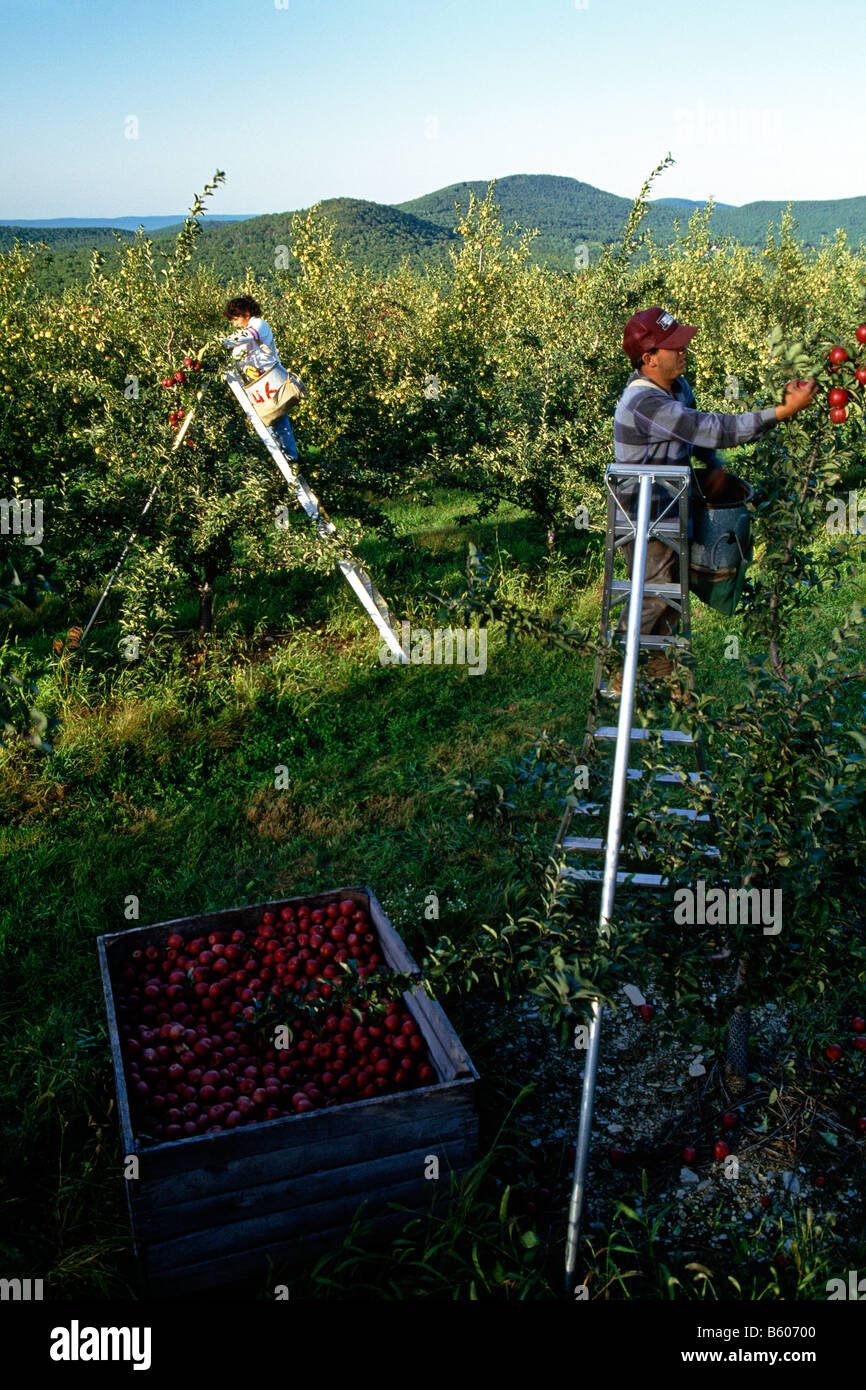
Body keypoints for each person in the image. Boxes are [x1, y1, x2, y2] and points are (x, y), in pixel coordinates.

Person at [612, 307, 818, 673]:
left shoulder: (678, 388)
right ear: (649, 359)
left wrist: (713, 465)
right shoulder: (643, 402)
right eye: (673, 347)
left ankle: (661, 673)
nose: (683, 351)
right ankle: (620, 664)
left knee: (674, 587)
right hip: (645, 515)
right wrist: (781, 412)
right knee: (656, 589)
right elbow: (712, 428)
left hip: (674, 505)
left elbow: (694, 434)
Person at [220, 295, 300, 459]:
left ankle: (292, 459)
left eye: (236, 319)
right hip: (257, 383)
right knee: (268, 419)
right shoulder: (244, 331)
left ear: (246, 313)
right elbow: (238, 354)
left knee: (277, 416)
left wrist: (216, 343)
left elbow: (241, 339)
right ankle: (281, 457)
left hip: (269, 377)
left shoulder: (258, 325)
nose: (235, 323)